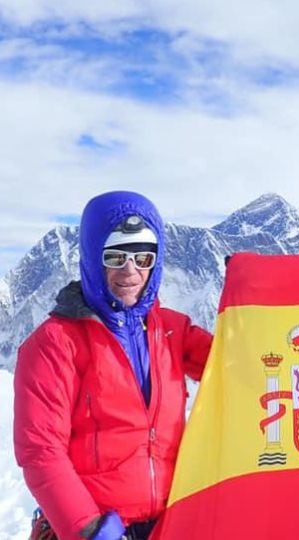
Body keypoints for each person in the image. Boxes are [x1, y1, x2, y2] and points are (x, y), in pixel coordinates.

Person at [14, 191, 213, 540]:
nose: (130, 271)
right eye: (115, 256)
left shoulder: (172, 330)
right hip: (93, 528)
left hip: (169, 524)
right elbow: (41, 451)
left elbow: (234, 365)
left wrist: (251, 297)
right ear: (93, 257)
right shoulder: (54, 344)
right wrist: (91, 530)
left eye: (143, 257)